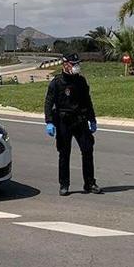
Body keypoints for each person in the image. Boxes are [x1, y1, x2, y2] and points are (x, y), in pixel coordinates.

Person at [44, 53, 100, 196]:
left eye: (77, 63)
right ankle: (64, 184)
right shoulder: (57, 82)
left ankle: (89, 183)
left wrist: (92, 119)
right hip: (63, 121)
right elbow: (49, 103)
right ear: (65, 64)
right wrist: (49, 122)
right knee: (64, 153)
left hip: (80, 120)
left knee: (87, 150)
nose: (76, 67)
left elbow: (87, 101)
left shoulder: (80, 81)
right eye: (73, 64)